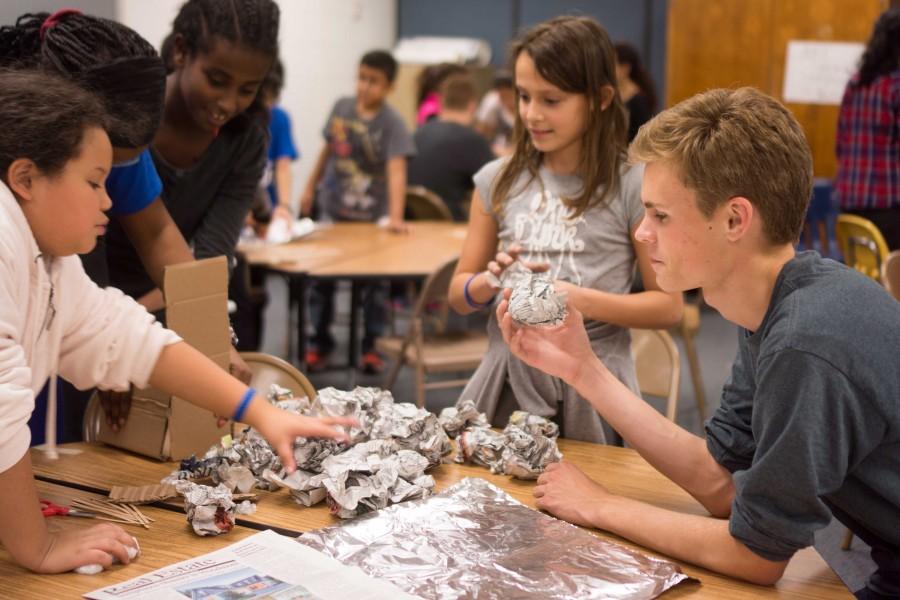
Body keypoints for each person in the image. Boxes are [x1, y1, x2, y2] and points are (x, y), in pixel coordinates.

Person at [498, 86, 900, 596]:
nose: (642, 233)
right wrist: (583, 370)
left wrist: (599, 505)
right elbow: (721, 483)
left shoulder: (806, 343)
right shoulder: (778, 305)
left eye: (660, 215)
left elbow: (758, 554)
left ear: (734, 219)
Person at [0, 69, 355, 575]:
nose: (107, 201)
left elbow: (127, 336)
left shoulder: (49, 260)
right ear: (26, 179)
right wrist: (38, 546)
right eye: (95, 183)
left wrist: (258, 410)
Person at [0, 9, 252, 441]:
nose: (110, 195)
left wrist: (212, 336)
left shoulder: (108, 145)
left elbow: (156, 236)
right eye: (97, 177)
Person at [448, 16, 683, 444]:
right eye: (523, 97)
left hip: (595, 391)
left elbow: (668, 307)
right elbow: (458, 294)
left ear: (601, 99)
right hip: (505, 387)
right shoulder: (496, 180)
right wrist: (484, 284)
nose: (532, 114)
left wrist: (575, 299)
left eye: (551, 100)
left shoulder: (632, 184)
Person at [299, 50, 416, 374]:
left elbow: (396, 170)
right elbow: (327, 152)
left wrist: (395, 216)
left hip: (370, 220)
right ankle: (318, 342)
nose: (365, 86)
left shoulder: (392, 124)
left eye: (374, 81)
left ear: (389, 86)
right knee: (321, 280)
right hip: (334, 209)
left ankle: (372, 346)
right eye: (362, 78)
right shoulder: (341, 108)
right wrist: (310, 187)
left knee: (375, 287)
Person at [835, 8, 900, 250]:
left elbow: (840, 144)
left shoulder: (855, 83)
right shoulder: (895, 87)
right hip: (889, 208)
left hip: (849, 207)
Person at [408, 74, 494, 221]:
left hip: (410, 221)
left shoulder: (417, 134)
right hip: (449, 225)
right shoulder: (474, 140)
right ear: (472, 106)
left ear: (440, 103)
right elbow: (494, 190)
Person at [260, 58, 300, 223]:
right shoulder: (235, 120)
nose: (265, 106)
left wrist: (284, 206)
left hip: (267, 209)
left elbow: (283, 166)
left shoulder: (279, 118)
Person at [614, 42, 657, 142]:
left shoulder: (639, 100)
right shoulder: (613, 94)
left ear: (625, 68)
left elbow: (643, 138)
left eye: (612, 64)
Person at [475, 70, 516, 154]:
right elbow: (481, 132)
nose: (505, 98)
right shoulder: (493, 102)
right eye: (502, 94)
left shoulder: (524, 104)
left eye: (508, 94)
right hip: (500, 149)